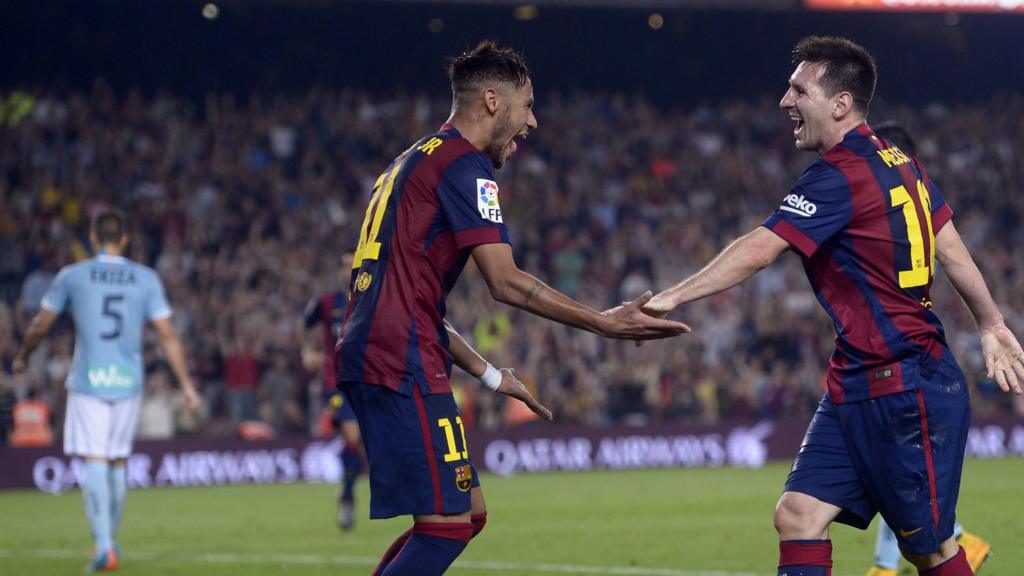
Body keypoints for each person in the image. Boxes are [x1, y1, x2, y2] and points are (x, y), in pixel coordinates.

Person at [642, 36, 1024, 576]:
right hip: (854, 383)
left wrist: (671, 296)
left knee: (930, 550)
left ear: (840, 103)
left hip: (906, 386)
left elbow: (761, 248)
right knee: (797, 515)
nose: (785, 101)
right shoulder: (903, 164)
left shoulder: (840, 174)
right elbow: (953, 251)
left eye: (799, 90)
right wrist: (989, 321)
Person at [335, 40, 690, 576]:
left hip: (392, 345)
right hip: (399, 357)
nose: (534, 123)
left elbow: (414, 300)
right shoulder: (465, 164)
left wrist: (493, 377)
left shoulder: (413, 160)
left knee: (467, 516)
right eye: (528, 106)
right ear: (493, 101)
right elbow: (505, 282)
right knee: (447, 526)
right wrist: (602, 321)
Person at [13, 210, 201, 573]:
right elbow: (167, 335)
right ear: (125, 240)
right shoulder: (145, 278)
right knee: (116, 460)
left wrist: (24, 354)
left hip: (88, 382)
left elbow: (40, 324)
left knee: (95, 460)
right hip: (128, 381)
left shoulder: (73, 276)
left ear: (93, 238)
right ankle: (109, 542)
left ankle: (103, 545)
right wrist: (188, 386)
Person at [863, 121, 992, 576]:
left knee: (897, 469)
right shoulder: (909, 204)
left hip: (908, 362)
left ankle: (895, 560)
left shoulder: (895, 205)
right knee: (898, 470)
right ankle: (954, 540)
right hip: (908, 354)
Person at [302, 252, 364, 530]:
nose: (347, 271)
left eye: (353, 265)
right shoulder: (327, 303)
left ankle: (346, 492)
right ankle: (348, 499)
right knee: (353, 434)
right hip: (336, 381)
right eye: (343, 265)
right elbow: (303, 324)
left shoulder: (371, 297)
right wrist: (308, 351)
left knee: (358, 442)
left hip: (368, 380)